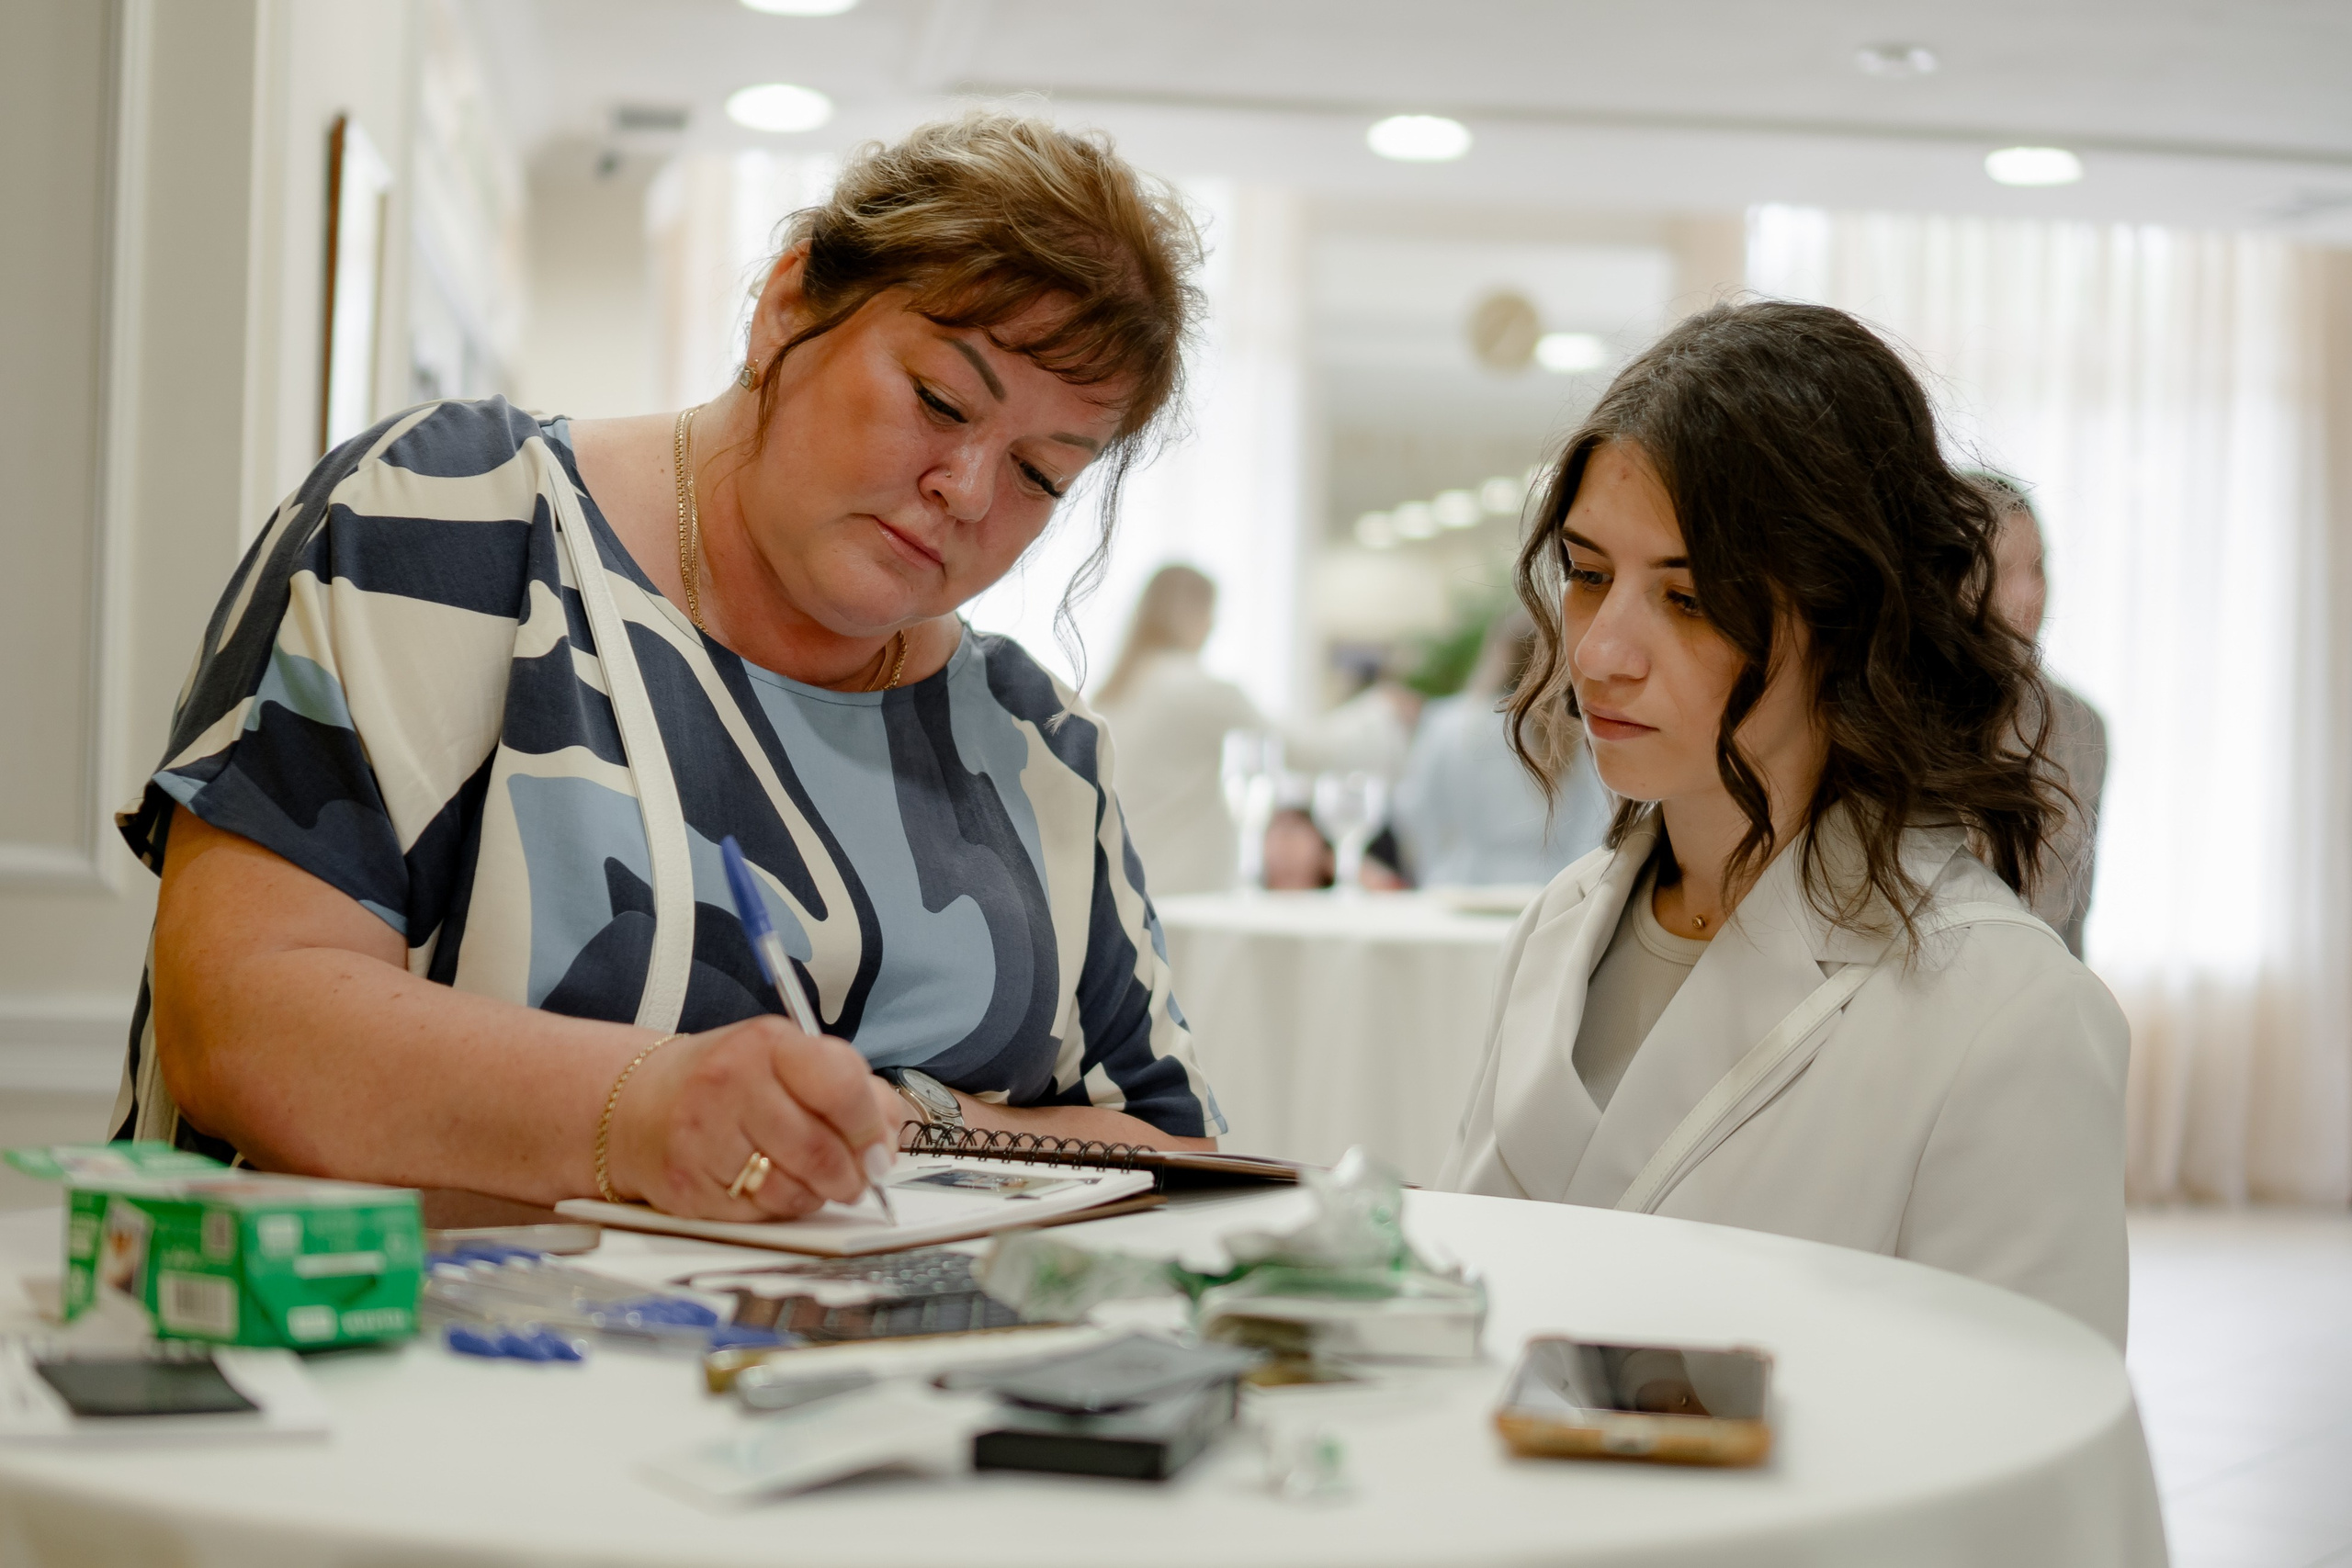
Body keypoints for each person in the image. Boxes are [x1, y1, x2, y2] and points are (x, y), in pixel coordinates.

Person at [117, 114, 1225, 1224]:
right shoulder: (447, 530)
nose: (971, 490)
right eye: (939, 400)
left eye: (1039, 473)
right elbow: (242, 1022)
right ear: (788, 304)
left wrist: (887, 1121)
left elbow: (1173, 1150)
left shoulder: (1036, 745)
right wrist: (643, 1113)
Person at [1441, 300, 2130, 1345]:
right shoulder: (1560, 927)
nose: (1600, 653)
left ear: (1848, 613)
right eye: (1587, 576)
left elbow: (2015, 1454)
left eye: (1687, 597)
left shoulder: (2008, 1012)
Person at [1966, 471, 2108, 959]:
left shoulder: (2082, 726)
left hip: (2045, 1005)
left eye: (2039, 567)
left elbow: (2075, 917)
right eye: (2004, 570)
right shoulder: (1903, 716)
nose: (2030, 596)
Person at [1393, 609, 1611, 887]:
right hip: (1549, 884)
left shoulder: (1451, 723)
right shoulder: (1578, 731)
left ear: (1499, 654)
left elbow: (1416, 808)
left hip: (1463, 883)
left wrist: (1435, 867)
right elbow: (1595, 821)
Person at [1091, 565, 1265, 894]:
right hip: (1186, 894)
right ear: (1190, 614)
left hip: (1121, 889)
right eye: (1209, 612)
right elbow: (1302, 748)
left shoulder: (1109, 696)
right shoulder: (1194, 688)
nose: (1213, 625)